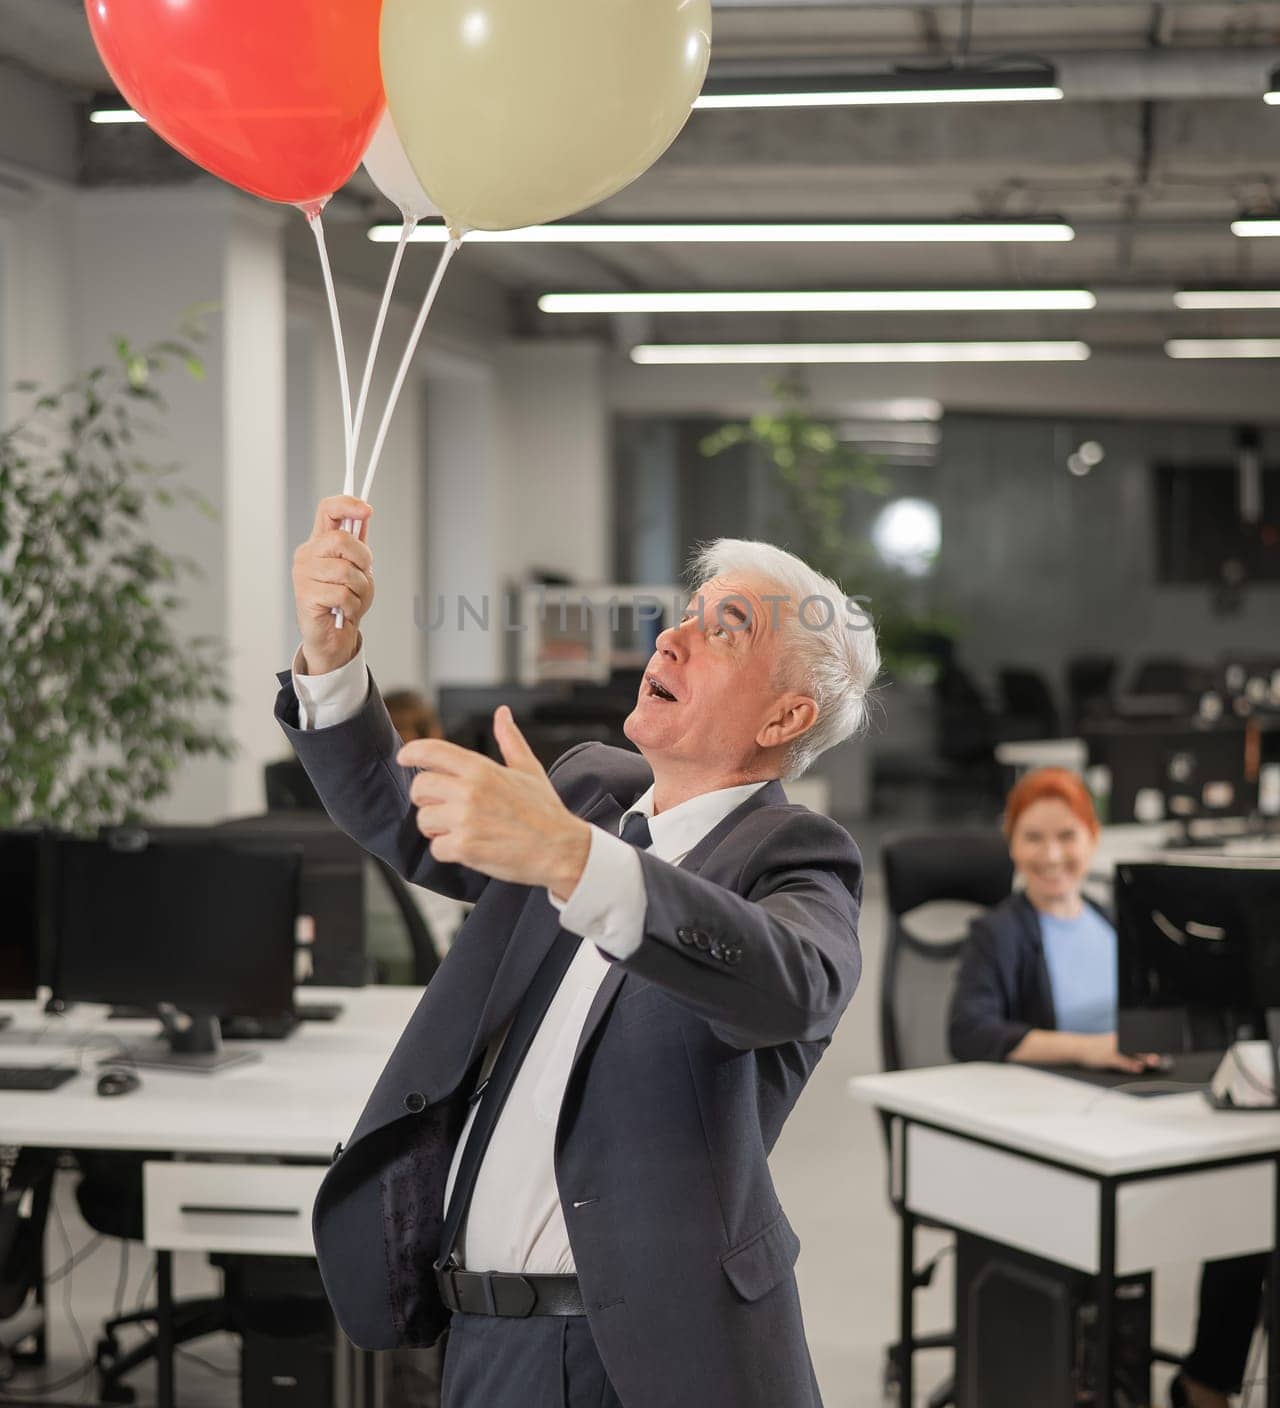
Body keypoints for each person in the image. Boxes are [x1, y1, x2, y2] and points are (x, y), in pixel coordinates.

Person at [276, 494, 880, 1408]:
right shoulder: (588, 790)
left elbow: (793, 982)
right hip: (479, 1339)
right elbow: (405, 816)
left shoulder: (797, 858)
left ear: (784, 719)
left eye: (726, 631)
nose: (670, 641)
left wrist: (574, 860)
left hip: (644, 1360)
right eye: (685, 615)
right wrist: (329, 653)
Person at [948, 767, 1264, 1408]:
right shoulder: (1001, 933)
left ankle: (1206, 1380)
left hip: (1132, 1119)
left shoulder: (1112, 923)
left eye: (1067, 836)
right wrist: (1092, 1048)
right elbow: (970, 1031)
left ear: (1093, 840)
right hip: (1056, 1133)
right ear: (1012, 845)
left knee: (1248, 1224)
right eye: (1032, 838)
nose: (1052, 855)